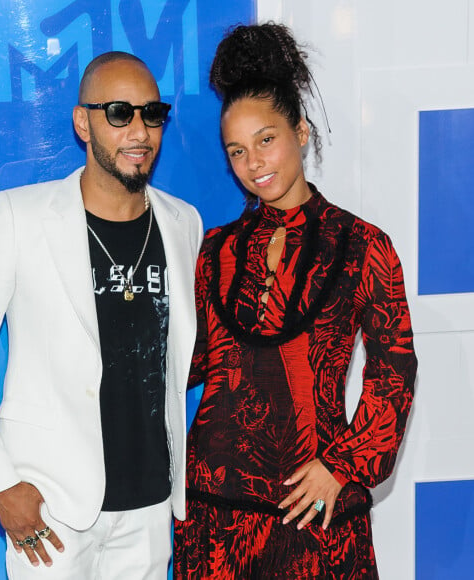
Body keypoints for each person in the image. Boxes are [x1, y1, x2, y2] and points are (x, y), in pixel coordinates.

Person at [0, 51, 203, 579]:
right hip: (51, 510)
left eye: (152, 114)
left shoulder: (183, 223)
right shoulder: (20, 216)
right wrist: (0, 482)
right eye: (119, 112)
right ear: (83, 122)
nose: (140, 131)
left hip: (150, 507)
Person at [173, 23, 417, 579]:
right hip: (216, 513)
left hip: (315, 507)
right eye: (236, 151)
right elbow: (195, 363)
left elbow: (394, 372)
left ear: (301, 132)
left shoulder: (363, 246)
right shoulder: (216, 251)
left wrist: (344, 465)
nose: (254, 163)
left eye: (266, 139)